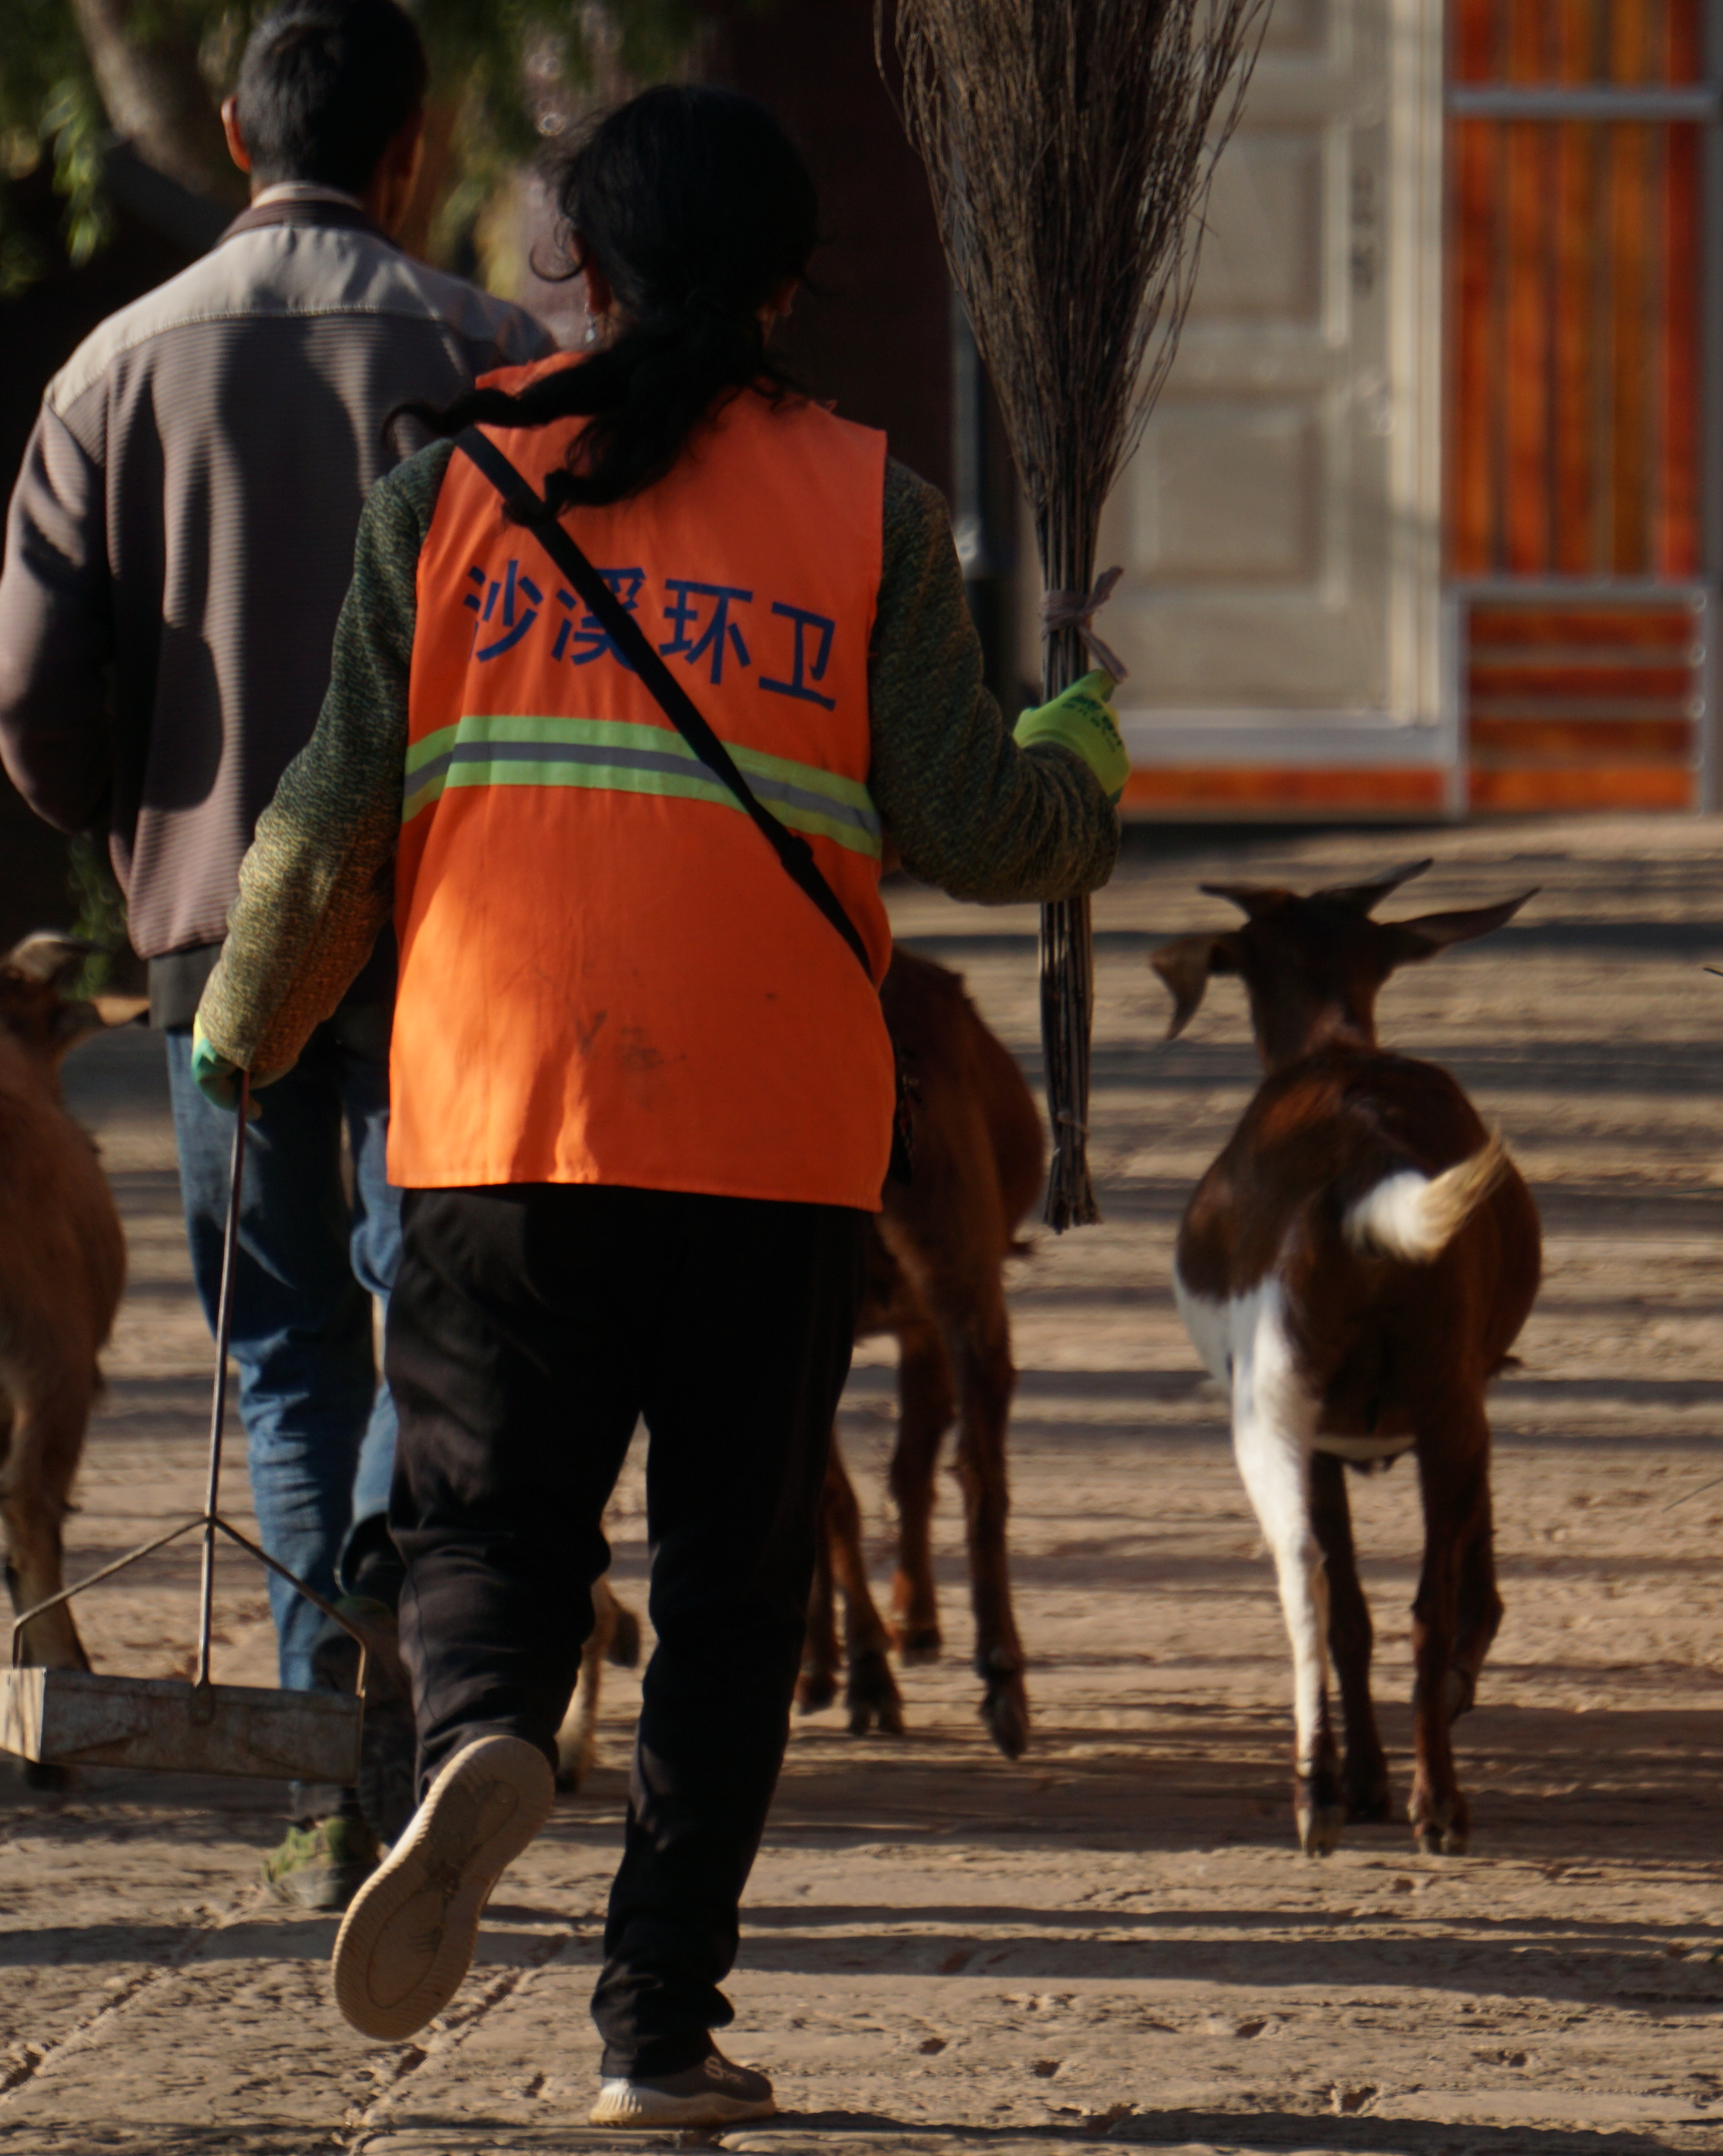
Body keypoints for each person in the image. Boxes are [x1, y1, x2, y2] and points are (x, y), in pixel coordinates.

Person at [194, 84, 1126, 2130]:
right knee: (730, 1578)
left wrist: (239, 1036)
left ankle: (491, 1731)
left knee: (483, 1521)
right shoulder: (866, 505)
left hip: (496, 1118)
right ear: (790, 285)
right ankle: (655, 2032)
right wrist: (1087, 761)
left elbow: (333, 819)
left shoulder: (443, 495)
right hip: (776, 1139)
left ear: (580, 275)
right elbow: (980, 825)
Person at [0, 0, 552, 1910]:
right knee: (434, 1313)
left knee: (288, 1342)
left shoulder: (110, 370)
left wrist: (131, 816)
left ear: (232, 136)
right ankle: (401, 1648)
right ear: (417, 150)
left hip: (211, 933)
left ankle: (327, 1757)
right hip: (453, 928)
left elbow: (21, 683)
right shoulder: (500, 360)